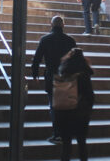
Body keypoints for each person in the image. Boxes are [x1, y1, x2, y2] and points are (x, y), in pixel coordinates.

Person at [53, 48, 94, 161]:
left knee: (66, 147)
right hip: (80, 114)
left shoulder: (63, 71)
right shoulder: (84, 74)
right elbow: (90, 96)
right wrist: (88, 109)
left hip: (63, 113)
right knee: (81, 142)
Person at [31, 16, 77, 144]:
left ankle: (57, 134)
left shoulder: (45, 39)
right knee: (66, 106)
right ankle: (66, 133)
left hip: (51, 76)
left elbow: (37, 58)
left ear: (51, 25)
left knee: (53, 105)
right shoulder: (70, 40)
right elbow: (75, 59)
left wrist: (35, 74)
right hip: (67, 77)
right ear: (63, 25)